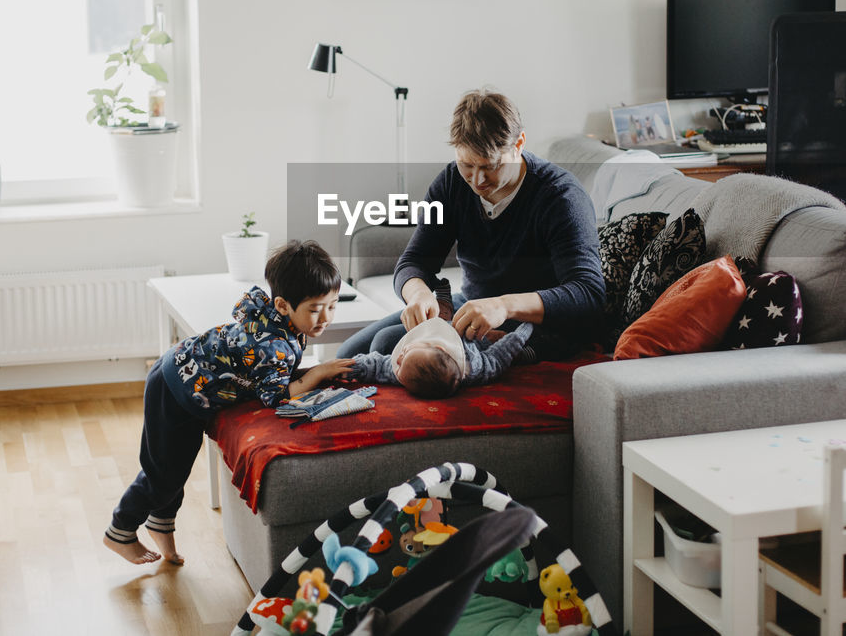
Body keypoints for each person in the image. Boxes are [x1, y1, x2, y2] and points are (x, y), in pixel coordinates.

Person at [104, 240, 355, 566]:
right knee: (162, 472)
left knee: (175, 467)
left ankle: (160, 525)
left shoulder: (283, 325)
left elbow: (273, 375)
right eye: (315, 309)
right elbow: (274, 397)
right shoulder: (274, 345)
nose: (325, 318)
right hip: (175, 388)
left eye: (332, 306)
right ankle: (119, 530)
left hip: (193, 389)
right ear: (282, 305)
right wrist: (319, 371)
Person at [337, 89, 604, 363]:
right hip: (472, 304)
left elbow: (588, 295)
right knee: (347, 354)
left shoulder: (560, 197)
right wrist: (417, 293)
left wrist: (503, 306)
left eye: (490, 166)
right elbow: (414, 260)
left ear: (519, 143)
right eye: (466, 164)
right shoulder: (453, 182)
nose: (477, 180)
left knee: (384, 345)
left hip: (535, 324)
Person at [347, 288, 536, 399]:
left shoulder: (401, 371)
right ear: (438, 348)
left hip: (441, 327)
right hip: (472, 336)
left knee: (377, 344)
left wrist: (354, 367)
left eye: (400, 361)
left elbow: (378, 366)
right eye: (405, 356)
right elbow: (500, 356)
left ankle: (442, 302)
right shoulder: (477, 367)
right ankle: (444, 302)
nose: (399, 356)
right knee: (509, 350)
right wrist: (523, 331)